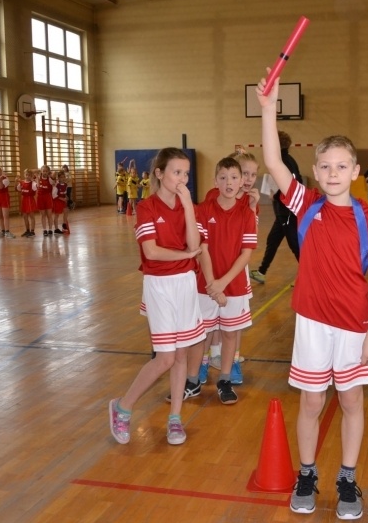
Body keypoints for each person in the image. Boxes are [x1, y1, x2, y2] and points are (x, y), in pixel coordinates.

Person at [257, 74, 368, 521]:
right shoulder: (306, 204)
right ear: (315, 171)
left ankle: (347, 477)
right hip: (312, 323)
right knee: (312, 402)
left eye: (341, 166)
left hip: (354, 326)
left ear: (356, 172)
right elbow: (274, 160)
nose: (333, 173)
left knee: (351, 401)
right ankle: (308, 473)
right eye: (325, 166)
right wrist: (269, 107)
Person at [108, 147, 205, 446]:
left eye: (186, 174)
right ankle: (122, 407)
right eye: (177, 172)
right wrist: (186, 254)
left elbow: (194, 243)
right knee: (164, 358)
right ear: (160, 174)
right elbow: (151, 251)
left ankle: (175, 418)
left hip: (186, 283)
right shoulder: (146, 207)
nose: (182, 179)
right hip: (159, 284)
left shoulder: (190, 206)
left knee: (181, 355)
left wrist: (188, 207)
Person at [179, 157, 257, 404]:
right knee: (200, 335)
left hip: (232, 286)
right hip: (206, 285)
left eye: (234, 177)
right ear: (215, 181)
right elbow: (203, 248)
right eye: (223, 178)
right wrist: (213, 285)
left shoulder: (246, 214)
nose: (229, 182)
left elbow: (246, 253)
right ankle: (192, 381)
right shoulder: (203, 210)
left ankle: (224, 379)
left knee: (230, 334)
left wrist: (223, 283)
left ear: (241, 181)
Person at [202, 149, 261, 384]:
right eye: (243, 173)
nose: (247, 179)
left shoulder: (249, 201)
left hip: (236, 271)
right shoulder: (212, 197)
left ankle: (232, 361)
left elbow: (250, 241)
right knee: (209, 324)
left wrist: (255, 206)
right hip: (211, 270)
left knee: (233, 324)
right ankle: (209, 359)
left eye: (253, 175)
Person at [249, 131, 302, 285]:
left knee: (295, 245)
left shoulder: (284, 161)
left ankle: (309, 277)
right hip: (282, 213)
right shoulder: (284, 159)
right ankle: (261, 272)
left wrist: (277, 196)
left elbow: (293, 184)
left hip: (288, 212)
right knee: (272, 240)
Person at [0, 165, 15, 238]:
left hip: (4, 197)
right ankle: (3, 231)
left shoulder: (6, 178)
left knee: (5, 216)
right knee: (0, 216)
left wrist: (0, 180)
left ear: (1, 171)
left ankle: (7, 231)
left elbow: (1, 187)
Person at [16, 169, 37, 237]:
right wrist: (16, 181)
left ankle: (32, 231)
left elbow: (37, 187)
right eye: (26, 175)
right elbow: (18, 189)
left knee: (31, 216)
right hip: (24, 200)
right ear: (24, 175)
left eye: (29, 175)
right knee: (25, 216)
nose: (27, 176)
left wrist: (37, 179)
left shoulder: (33, 183)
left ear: (31, 176)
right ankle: (27, 230)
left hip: (30, 200)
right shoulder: (21, 182)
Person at [36, 165, 54, 236]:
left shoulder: (49, 179)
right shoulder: (38, 178)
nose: (45, 172)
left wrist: (52, 176)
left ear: (48, 172)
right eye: (43, 171)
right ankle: (44, 230)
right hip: (40, 198)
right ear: (41, 171)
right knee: (43, 215)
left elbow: (53, 181)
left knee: (49, 214)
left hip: (48, 197)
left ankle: (50, 229)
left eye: (46, 171)